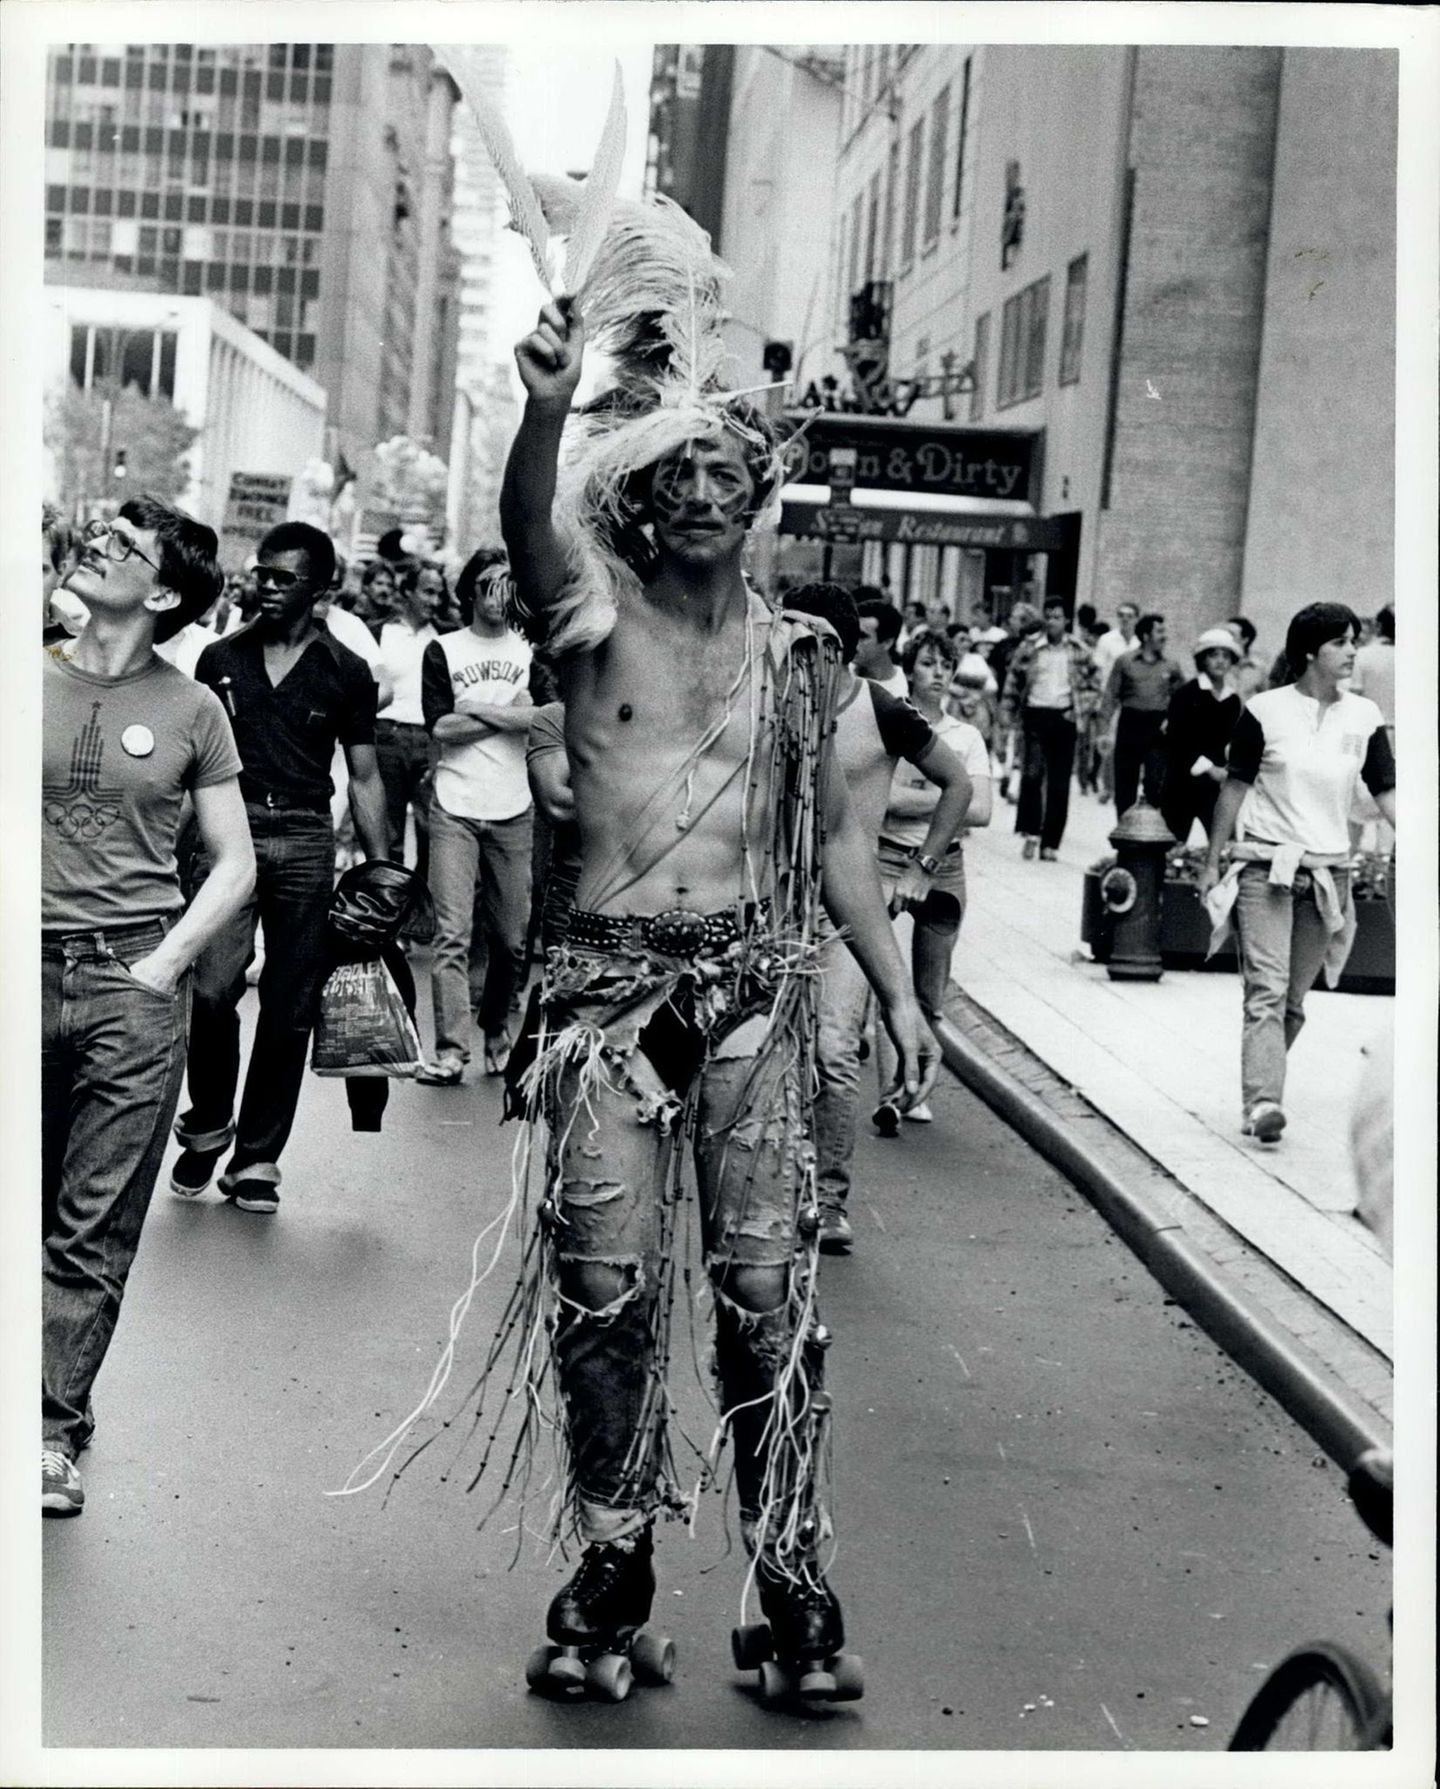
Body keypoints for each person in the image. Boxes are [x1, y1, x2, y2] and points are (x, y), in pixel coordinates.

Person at [373, 279, 937, 1697]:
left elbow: (839, 847)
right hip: (605, 1008)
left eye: (724, 477)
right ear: (634, 504)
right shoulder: (587, 619)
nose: (699, 495)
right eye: (673, 477)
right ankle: (613, 1560)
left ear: (758, 504)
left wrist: (901, 996)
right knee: (603, 1287)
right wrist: (548, 406)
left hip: (753, 997)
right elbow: (528, 531)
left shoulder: (802, 661)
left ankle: (789, 1569)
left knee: (765, 1290)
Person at [42, 499, 255, 1515]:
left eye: (126, 546)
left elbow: (235, 862)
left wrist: (163, 966)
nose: (99, 545)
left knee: (91, 1224)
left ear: (165, 593)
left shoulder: (193, 707)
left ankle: (49, 1429)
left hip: (128, 987)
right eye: (102, 535)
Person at [169, 522, 390, 1215]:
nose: (264, 585)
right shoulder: (219, 658)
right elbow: (190, 768)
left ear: (320, 588)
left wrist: (384, 873)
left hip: (304, 836)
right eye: (260, 572)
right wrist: (169, 850)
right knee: (212, 989)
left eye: (282, 577)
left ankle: (257, 1159)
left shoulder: (346, 669)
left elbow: (364, 776)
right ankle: (209, 1123)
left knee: (290, 1008)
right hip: (226, 833)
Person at [785, 594, 969, 1248]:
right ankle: (777, 1183)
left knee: (834, 1046)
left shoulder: (881, 708)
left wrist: (922, 868)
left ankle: (829, 1200)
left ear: (838, 647)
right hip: (774, 904)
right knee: (771, 1049)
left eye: (806, 644)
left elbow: (958, 783)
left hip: (851, 909)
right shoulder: (768, 701)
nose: (794, 655)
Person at [1199, 603, 1396, 1145]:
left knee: (1291, 1003)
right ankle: (1263, 1101)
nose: (1353, 651)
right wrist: (1213, 861)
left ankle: (1259, 1079)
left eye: (1354, 641)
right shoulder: (1265, 711)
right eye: (1341, 643)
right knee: (1266, 990)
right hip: (1266, 868)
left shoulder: (1365, 716)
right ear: (1310, 652)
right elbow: (1235, 787)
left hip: (1328, 873)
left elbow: (1384, 789)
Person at [415, 550, 534, 1085]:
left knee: (511, 938)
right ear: (469, 592)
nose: (497, 594)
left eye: (508, 584)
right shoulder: (444, 649)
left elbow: (547, 715)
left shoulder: (531, 648)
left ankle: (496, 1025)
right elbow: (441, 727)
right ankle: (450, 1050)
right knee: (452, 934)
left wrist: (479, 710)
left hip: (514, 805)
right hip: (454, 805)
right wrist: (509, 712)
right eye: (488, 583)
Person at [876, 626, 992, 1125]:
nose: (938, 673)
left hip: (945, 866)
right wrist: (951, 795)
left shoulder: (967, 737)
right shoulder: (892, 721)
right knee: (884, 981)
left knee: (930, 989)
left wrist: (936, 799)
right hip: (886, 858)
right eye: (928, 663)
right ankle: (889, 1092)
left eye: (946, 665)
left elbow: (982, 811)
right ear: (911, 668)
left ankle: (914, 1086)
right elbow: (882, 799)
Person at [1001, 596, 1098, 860]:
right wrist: (1007, 713)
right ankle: (1031, 832)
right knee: (1032, 774)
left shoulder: (1078, 649)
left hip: (1064, 717)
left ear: (1067, 620)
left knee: (1059, 782)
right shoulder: (1030, 647)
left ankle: (1050, 842)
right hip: (1035, 714)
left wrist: (1080, 709)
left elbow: (1095, 683)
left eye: (1057, 617)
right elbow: (1013, 681)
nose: (1052, 621)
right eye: (1048, 616)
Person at [374, 560, 444, 894]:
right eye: (428, 592)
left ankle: (418, 903)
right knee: (389, 833)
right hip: (388, 736)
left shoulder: (445, 637)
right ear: (407, 592)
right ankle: (389, 905)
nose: (434, 601)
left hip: (430, 741)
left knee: (433, 829)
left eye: (439, 594)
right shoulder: (380, 632)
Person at [1160, 626, 1244, 847]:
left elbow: (1230, 740)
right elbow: (1177, 739)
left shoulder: (1232, 700)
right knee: (1172, 844)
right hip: (1181, 782)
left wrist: (1228, 769)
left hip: (1215, 786)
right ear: (1202, 659)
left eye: (1226, 656)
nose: (1220, 661)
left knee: (1225, 845)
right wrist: (1208, 768)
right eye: (1213, 655)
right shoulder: (1187, 694)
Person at [1098, 611, 1186, 819]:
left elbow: (1182, 698)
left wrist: (1173, 721)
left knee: (1155, 782)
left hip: (1158, 727)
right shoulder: (1125, 661)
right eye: (1159, 631)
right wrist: (1103, 731)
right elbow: (1110, 696)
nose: (1164, 636)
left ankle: (1149, 830)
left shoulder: (1171, 665)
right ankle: (1124, 830)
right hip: (1130, 723)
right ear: (1146, 636)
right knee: (1125, 781)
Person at [854, 596, 908, 696]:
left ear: (887, 643)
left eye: (862, 637)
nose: (853, 641)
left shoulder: (904, 689)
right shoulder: (842, 675)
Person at [1226, 615, 1267, 700]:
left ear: (1245, 640)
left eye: (1231, 634)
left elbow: (1265, 698)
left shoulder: (1258, 668)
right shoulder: (1216, 665)